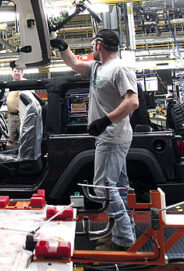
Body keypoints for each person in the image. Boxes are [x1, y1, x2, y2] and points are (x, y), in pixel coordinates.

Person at [50, 29, 139, 251]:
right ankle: (121, 234)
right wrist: (63, 47)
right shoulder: (99, 67)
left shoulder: (120, 68)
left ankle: (125, 239)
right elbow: (75, 64)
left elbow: (132, 102)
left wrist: (105, 121)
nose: (91, 48)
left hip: (112, 137)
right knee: (118, 187)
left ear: (99, 44)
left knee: (102, 188)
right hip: (107, 137)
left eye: (92, 44)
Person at [5, 65, 24, 145]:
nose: (16, 73)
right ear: (12, 73)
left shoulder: (27, 84)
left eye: (18, 71)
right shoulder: (9, 86)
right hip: (11, 116)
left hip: (22, 116)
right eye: (15, 71)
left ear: (22, 73)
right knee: (10, 140)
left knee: (22, 139)